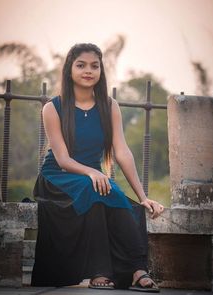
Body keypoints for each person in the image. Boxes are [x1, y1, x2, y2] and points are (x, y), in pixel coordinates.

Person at [31, 43, 164, 292]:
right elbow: (62, 159)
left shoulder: (109, 105)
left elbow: (122, 151)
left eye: (94, 65)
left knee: (119, 199)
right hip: (58, 178)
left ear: (101, 70)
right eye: (81, 65)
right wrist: (93, 171)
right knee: (98, 188)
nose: (88, 70)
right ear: (69, 69)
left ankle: (131, 269)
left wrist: (143, 196)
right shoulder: (52, 108)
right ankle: (115, 270)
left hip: (92, 180)